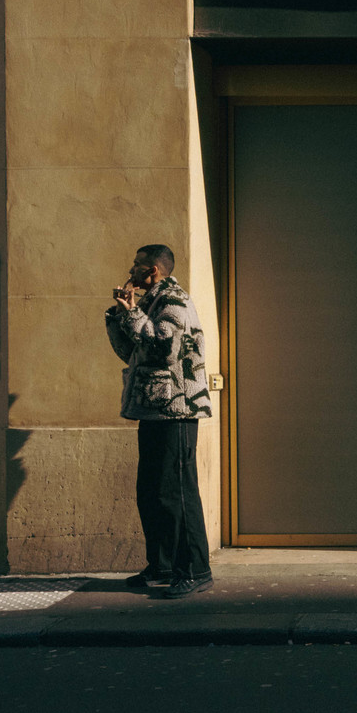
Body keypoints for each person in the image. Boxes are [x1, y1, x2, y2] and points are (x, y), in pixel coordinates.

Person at [105, 244, 215, 599]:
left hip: (178, 411)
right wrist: (120, 316)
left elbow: (162, 349)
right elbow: (134, 352)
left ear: (152, 270)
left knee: (177, 492)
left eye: (137, 265)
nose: (131, 269)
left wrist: (133, 313)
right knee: (151, 491)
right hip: (154, 408)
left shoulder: (174, 302)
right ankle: (163, 565)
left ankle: (195, 570)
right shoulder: (152, 302)